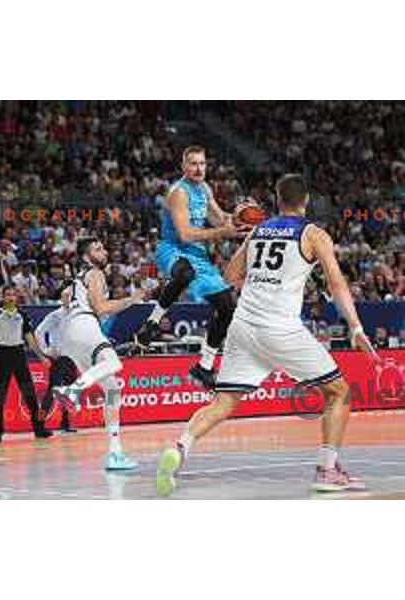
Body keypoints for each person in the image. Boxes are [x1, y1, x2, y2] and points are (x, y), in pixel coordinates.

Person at [155, 174, 380, 497]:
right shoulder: (315, 234)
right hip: (280, 328)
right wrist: (356, 328)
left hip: (244, 326)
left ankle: (179, 448)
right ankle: (327, 470)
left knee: (225, 401)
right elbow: (337, 284)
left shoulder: (259, 230)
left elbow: (231, 276)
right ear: (305, 201)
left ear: (278, 200)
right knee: (338, 392)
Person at [134, 146, 250, 387]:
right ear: (184, 167)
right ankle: (152, 323)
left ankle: (204, 367)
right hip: (172, 249)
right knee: (184, 273)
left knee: (228, 307)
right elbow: (185, 235)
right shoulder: (179, 193)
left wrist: (241, 218)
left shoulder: (205, 189)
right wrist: (223, 231)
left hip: (197, 254)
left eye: (202, 164)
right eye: (194, 164)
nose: (199, 168)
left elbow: (219, 218)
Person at [52, 237, 145, 470]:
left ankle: (115, 452)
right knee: (114, 362)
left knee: (112, 389)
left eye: (103, 247)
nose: (104, 251)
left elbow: (64, 299)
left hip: (71, 334)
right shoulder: (95, 273)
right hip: (84, 325)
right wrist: (132, 299)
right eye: (98, 248)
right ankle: (73, 391)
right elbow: (101, 308)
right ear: (86, 255)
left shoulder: (75, 280)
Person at [0, 286, 53, 442]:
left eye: (13, 295)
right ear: (3, 297)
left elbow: (30, 339)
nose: (10, 298)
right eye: (7, 294)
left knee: (30, 395)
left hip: (19, 355)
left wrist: (41, 357)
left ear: (16, 298)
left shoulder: (22, 316)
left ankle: (39, 428)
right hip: (3, 355)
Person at [34, 300, 77, 434]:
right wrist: (46, 350)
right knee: (51, 392)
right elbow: (39, 332)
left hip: (72, 358)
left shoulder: (77, 315)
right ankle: (40, 423)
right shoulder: (55, 315)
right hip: (58, 359)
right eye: (67, 297)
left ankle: (65, 423)